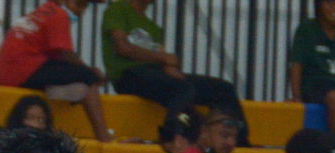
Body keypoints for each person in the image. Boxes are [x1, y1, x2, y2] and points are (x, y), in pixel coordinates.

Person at [100, 0, 248, 141]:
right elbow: (122, 47)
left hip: (155, 74)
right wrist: (163, 58)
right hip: (128, 75)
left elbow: (166, 62)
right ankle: (170, 136)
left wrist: (170, 66)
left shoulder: (154, 28)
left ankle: (239, 140)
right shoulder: (118, 9)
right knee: (182, 88)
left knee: (223, 89)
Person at [0, 0, 112, 143]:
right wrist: (91, 72)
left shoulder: (43, 11)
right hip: (26, 70)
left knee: (80, 84)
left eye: (85, 6)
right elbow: (65, 53)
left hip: (11, 73)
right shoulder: (59, 15)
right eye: (78, 5)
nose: (81, 11)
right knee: (88, 77)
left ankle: (68, 93)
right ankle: (103, 136)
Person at [288, 0, 335, 135]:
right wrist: (297, 97)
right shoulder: (306, 29)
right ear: (319, 5)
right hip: (315, 85)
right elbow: (297, 65)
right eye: (330, 3)